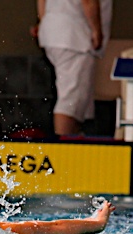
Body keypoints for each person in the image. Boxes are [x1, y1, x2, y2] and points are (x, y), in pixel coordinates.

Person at [32, 0, 113, 137]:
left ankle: (73, 137)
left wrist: (45, 22)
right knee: (70, 101)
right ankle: (64, 144)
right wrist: (96, 30)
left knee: (76, 101)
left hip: (55, 32)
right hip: (74, 37)